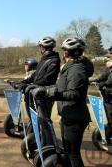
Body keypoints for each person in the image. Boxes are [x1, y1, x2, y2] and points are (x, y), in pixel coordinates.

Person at [34, 38, 94, 167]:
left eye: (64, 50)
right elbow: (62, 87)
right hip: (69, 114)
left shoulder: (77, 70)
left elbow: (74, 94)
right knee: (68, 153)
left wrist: (50, 93)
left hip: (75, 117)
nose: (63, 52)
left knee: (73, 155)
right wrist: (46, 90)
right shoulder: (70, 68)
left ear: (66, 53)